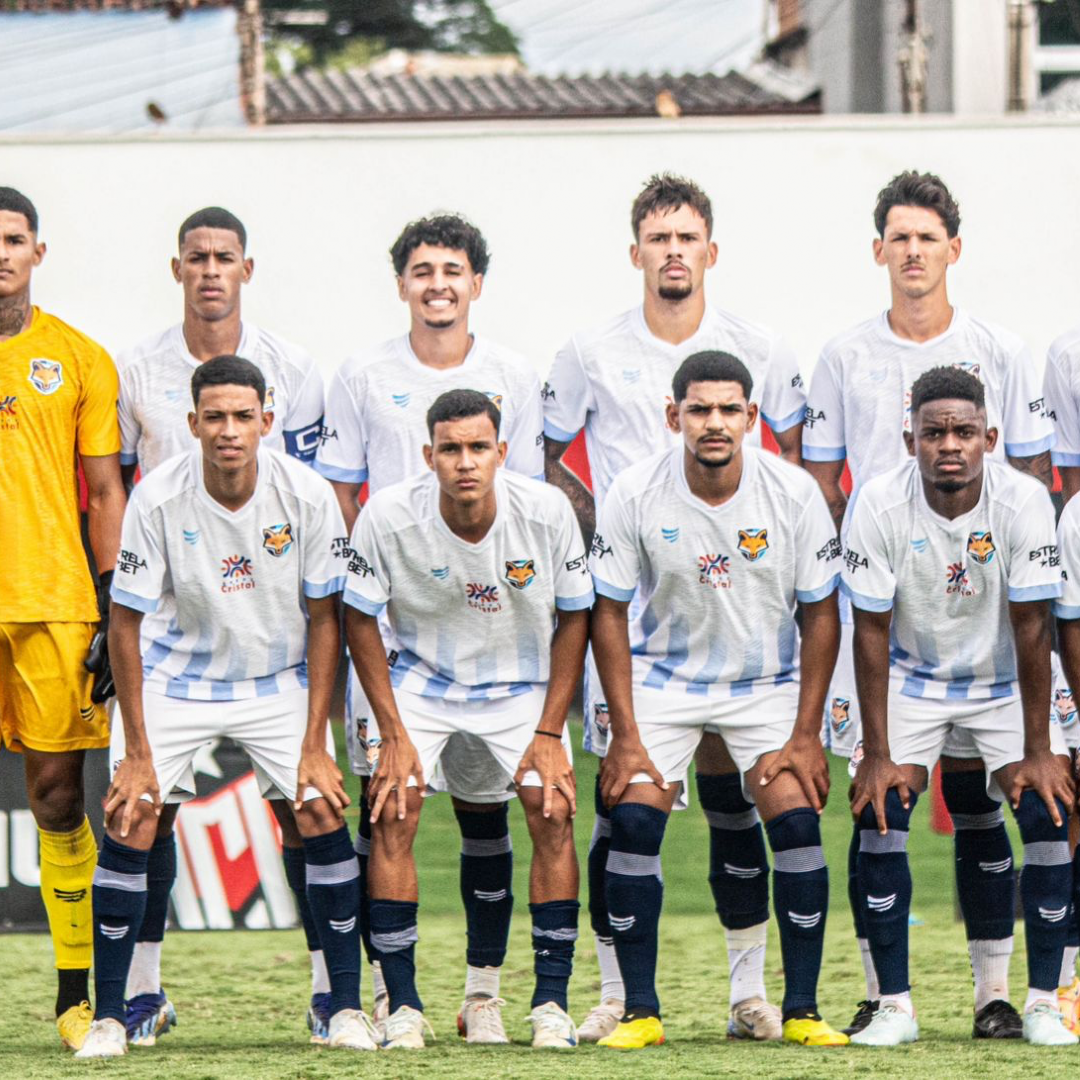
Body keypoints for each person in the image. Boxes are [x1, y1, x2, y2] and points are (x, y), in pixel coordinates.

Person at [543, 173, 806, 1041]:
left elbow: (793, 466)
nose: (673, 252)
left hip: (740, 617)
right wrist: (595, 533)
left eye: (687, 238)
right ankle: (620, 995)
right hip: (639, 616)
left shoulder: (758, 346)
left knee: (737, 810)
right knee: (625, 806)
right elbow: (548, 459)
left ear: (710, 252)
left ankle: (750, 996)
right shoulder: (590, 348)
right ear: (637, 254)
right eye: (658, 239)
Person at [803, 171, 1056, 1037]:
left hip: (985, 610)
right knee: (879, 799)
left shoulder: (1004, 351)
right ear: (879, 251)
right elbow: (824, 485)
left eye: (928, 236)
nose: (913, 251)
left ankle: (999, 994)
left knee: (987, 804)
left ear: (954, 248)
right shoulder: (844, 355)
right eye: (898, 237)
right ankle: (884, 995)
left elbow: (1031, 481)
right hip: (887, 612)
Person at [75, 355, 376, 1058]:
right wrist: (141, 755)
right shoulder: (156, 498)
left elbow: (326, 616)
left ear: (267, 420)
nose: (230, 431)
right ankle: (113, 1017)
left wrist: (313, 744)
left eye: (244, 416)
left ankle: (340, 1005)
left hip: (276, 681)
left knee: (320, 807)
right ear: (193, 423)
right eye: (215, 417)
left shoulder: (304, 495)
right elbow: (124, 622)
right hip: (175, 680)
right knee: (131, 812)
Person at [316, 213, 544, 1039]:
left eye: (452, 269)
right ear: (402, 284)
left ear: (476, 283)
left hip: (495, 645)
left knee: (490, 819)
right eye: (422, 270)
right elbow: (342, 500)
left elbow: (535, 515)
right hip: (393, 638)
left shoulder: (514, 374)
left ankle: (483, 993)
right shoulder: (363, 375)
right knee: (390, 812)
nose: (437, 283)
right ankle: (389, 993)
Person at [113, 206, 330, 1047]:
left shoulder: (294, 368)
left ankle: (331, 992)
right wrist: (115, 598)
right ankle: (142, 991)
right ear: (178, 270)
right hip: (171, 631)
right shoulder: (135, 367)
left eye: (225, 257)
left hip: (275, 632)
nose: (210, 270)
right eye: (196, 257)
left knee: (301, 811)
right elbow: (117, 489)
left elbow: (315, 495)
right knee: (149, 809)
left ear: (247, 268)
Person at [589, 350, 846, 1049]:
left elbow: (821, 612)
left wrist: (806, 732)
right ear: (673, 416)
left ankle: (796, 1009)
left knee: (795, 825)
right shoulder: (636, 491)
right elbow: (607, 611)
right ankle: (639, 1011)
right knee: (634, 824)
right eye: (700, 409)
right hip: (663, 683)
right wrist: (627, 733)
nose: (715, 423)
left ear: (752, 418)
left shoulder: (792, 494)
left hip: (764, 685)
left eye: (730, 409)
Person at [343, 389, 591, 1050]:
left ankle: (540, 1004)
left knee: (551, 808)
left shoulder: (545, 512)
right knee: (394, 808)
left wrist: (546, 734)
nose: (465, 462)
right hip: (420, 681)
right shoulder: (389, 516)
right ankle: (401, 1006)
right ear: (428, 455)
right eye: (450, 449)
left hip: (520, 683)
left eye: (479, 447)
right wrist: (394, 735)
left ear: (502, 452)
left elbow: (576, 617)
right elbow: (358, 617)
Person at [845, 365, 1075, 1047]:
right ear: (910, 437)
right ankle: (894, 1006)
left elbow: (1036, 626)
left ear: (991, 437)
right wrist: (880, 754)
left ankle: (1039, 1004)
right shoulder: (879, 502)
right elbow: (871, 631)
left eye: (965, 431)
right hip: (913, 682)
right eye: (935, 431)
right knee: (882, 813)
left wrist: (1038, 750)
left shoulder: (1025, 500)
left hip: (1005, 682)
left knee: (1045, 805)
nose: (950, 444)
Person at [0, 186, 126, 1051]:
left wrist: (114, 600)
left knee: (55, 797)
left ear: (37, 252)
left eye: (12, 239)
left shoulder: (79, 358)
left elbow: (107, 490)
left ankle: (75, 997)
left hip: (52, 599)